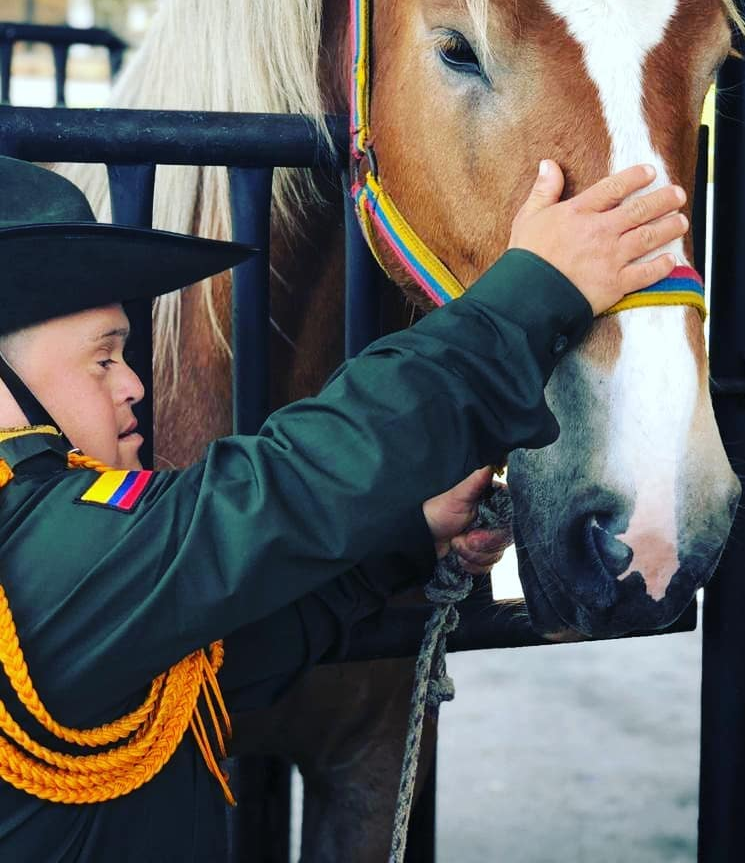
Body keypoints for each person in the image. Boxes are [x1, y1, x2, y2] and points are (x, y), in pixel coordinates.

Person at [0, 154, 687, 861]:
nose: (134, 385)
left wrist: (407, 542)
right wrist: (534, 294)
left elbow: (219, 661)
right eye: (103, 359)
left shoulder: (68, 575)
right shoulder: (48, 548)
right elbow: (295, 486)